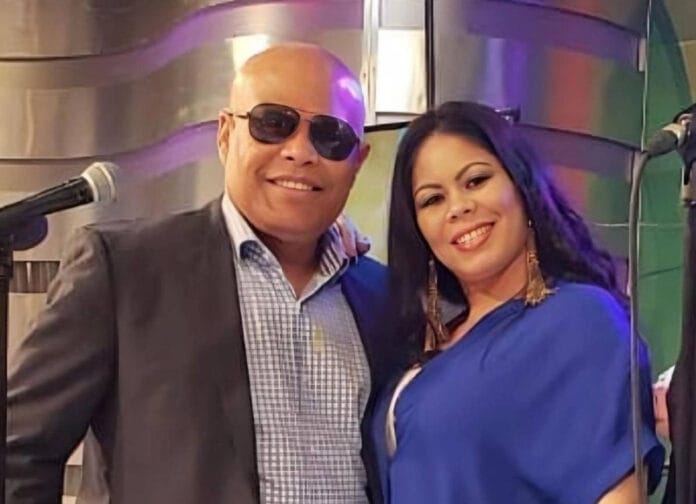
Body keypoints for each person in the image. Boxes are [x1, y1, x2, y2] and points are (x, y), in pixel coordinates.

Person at [6, 43, 405, 504]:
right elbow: (18, 453)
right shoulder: (126, 270)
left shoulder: (384, 297)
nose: (300, 151)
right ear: (225, 134)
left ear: (357, 163)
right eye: (273, 123)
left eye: (331, 136)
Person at [373, 101, 665, 503]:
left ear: (522, 187)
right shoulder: (426, 344)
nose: (458, 207)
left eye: (476, 180)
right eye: (432, 200)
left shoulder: (581, 320)